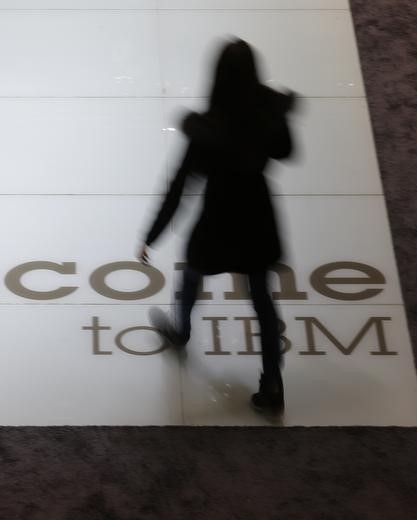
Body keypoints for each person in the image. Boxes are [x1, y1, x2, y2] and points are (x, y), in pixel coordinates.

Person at [138, 38, 296, 415]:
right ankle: (272, 382)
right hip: (257, 213)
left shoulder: (208, 130)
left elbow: (178, 187)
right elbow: (285, 151)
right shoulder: (269, 112)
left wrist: (152, 236)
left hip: (220, 216)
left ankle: (181, 333)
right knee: (262, 299)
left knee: (192, 273)